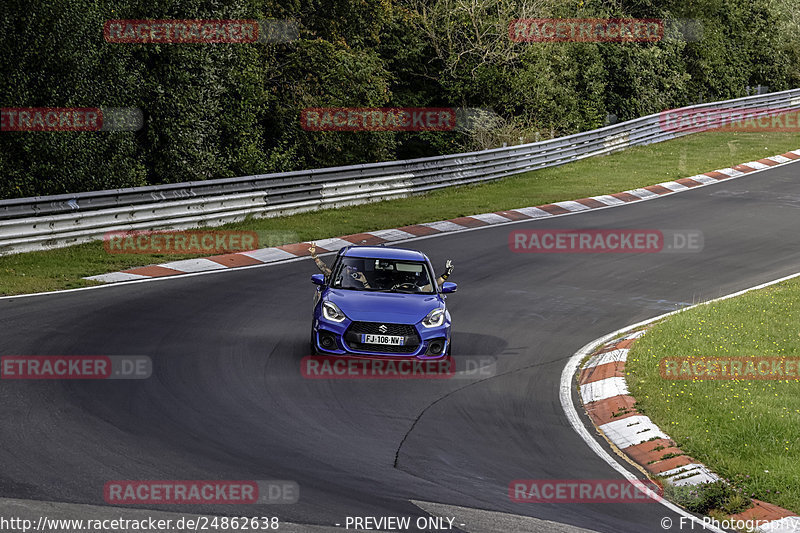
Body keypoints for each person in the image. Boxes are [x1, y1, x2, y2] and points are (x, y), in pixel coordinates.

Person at [308, 243, 453, 290]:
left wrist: (446, 274)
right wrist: (315, 257)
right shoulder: (347, 278)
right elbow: (328, 273)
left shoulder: (411, 286)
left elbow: (432, 286)